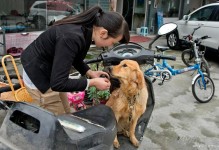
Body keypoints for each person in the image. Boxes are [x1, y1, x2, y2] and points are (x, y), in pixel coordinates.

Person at [21, 5, 130, 115]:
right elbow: (58, 83)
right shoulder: (72, 36)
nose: (111, 45)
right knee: (55, 121)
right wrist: (92, 82)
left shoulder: (87, 29)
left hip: (52, 71)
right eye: (113, 42)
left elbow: (74, 57)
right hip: (38, 74)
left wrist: (89, 72)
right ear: (103, 33)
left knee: (66, 112)